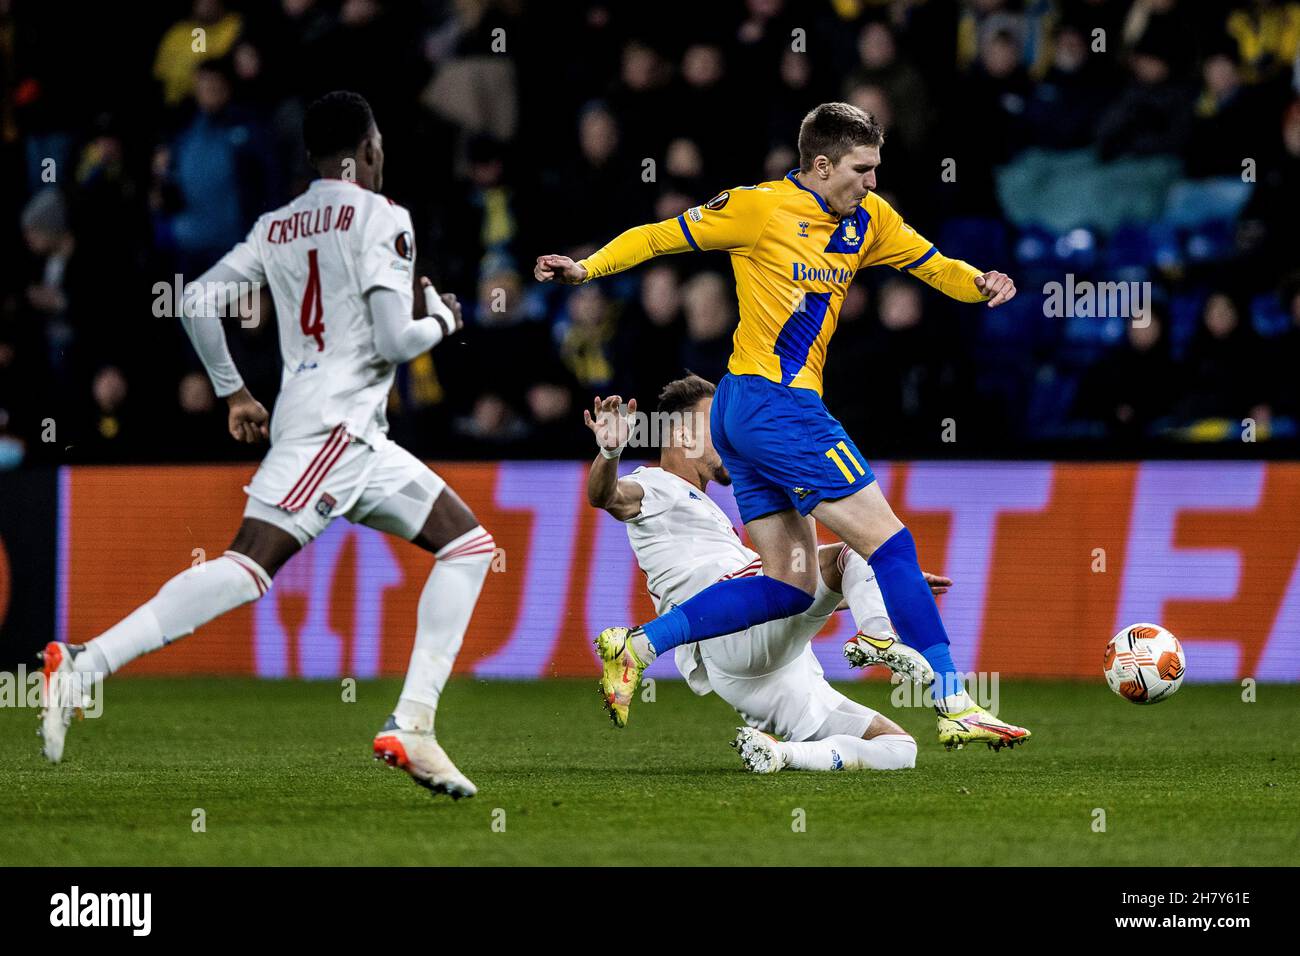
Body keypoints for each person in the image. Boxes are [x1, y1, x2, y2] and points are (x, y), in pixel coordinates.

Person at [39, 91, 491, 799]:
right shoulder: (383, 216)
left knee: (468, 547)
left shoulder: (277, 225)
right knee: (248, 570)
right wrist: (439, 318)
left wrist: (233, 392)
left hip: (348, 433)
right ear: (368, 150)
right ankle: (84, 666)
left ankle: (415, 725)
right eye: (379, 149)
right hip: (333, 432)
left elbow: (195, 302)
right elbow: (393, 340)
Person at [537, 102, 1024, 750]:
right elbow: (660, 236)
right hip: (776, 405)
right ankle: (952, 698)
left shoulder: (869, 219)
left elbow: (930, 263)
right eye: (861, 170)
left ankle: (639, 643)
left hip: (738, 413)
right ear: (820, 165)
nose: (872, 183)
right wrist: (587, 269)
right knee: (890, 544)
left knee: (791, 584)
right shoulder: (758, 208)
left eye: (876, 169)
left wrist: (978, 284)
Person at [584, 376, 1029, 758]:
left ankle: (780, 755)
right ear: (681, 435)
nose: (727, 436)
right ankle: (881, 639)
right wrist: (609, 453)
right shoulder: (654, 484)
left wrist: (880, 587)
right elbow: (607, 497)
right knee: (853, 550)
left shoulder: (710, 509)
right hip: (728, 641)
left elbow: (776, 590)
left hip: (765, 669)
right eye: (714, 425)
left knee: (897, 751)